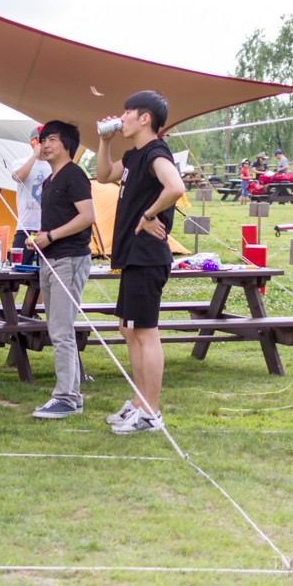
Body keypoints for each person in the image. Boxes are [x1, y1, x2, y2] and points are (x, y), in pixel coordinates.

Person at [95, 91, 186, 435]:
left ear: (144, 118)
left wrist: (149, 215)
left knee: (145, 332)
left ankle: (150, 412)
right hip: (134, 255)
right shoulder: (134, 156)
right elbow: (104, 176)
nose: (123, 116)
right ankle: (138, 402)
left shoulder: (155, 152)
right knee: (128, 328)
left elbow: (175, 186)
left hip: (147, 255)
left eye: (127, 111)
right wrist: (104, 142)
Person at [28, 121, 95, 419]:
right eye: (43, 140)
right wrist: (40, 239)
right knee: (57, 329)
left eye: (52, 139)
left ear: (67, 144)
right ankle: (72, 395)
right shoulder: (49, 180)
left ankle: (66, 397)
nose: (45, 145)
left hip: (69, 259)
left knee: (61, 329)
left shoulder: (74, 175)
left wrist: (52, 236)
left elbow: (87, 216)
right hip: (50, 258)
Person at [10, 126, 50, 267]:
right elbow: (19, 177)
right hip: (25, 226)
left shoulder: (53, 165)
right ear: (33, 142)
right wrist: (34, 156)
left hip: (46, 228)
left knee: (43, 274)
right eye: (42, 140)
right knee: (16, 269)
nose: (45, 144)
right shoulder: (20, 163)